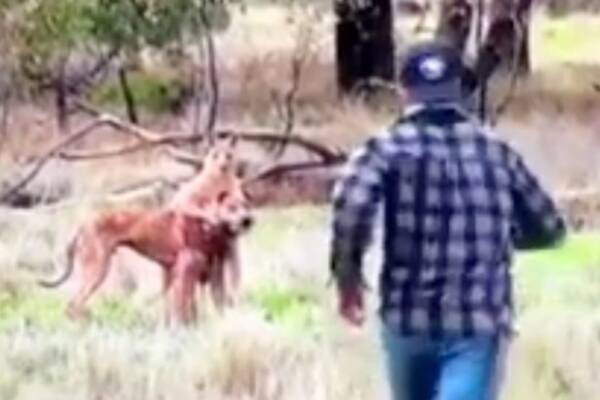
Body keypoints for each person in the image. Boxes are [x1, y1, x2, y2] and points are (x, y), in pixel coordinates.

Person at [329, 40, 566, 400]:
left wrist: (349, 280)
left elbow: (351, 205)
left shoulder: (384, 148)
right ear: (460, 88)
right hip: (477, 322)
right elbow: (550, 228)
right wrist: (504, 235)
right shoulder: (497, 152)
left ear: (404, 91)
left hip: (407, 318)